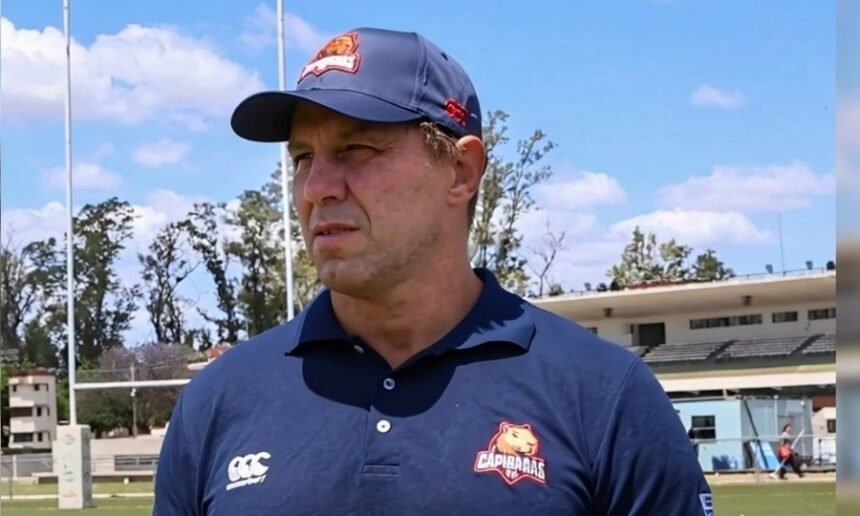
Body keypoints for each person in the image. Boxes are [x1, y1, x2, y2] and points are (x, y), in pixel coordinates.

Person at [153, 27, 712, 515]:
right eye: (303, 158)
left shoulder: (602, 394)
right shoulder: (220, 400)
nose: (317, 188)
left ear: (461, 172)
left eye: (357, 149)